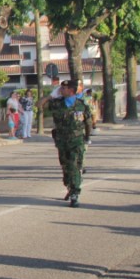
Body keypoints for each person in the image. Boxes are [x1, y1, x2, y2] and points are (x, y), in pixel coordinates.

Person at [44, 79, 93, 207]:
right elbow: (39, 105)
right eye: (61, 88)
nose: (61, 90)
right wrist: (50, 95)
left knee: (74, 166)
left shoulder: (81, 105)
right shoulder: (57, 103)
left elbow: (88, 122)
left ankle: (75, 194)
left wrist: (87, 137)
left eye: (64, 88)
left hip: (76, 141)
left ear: (71, 90)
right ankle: (70, 187)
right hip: (61, 141)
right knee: (66, 167)